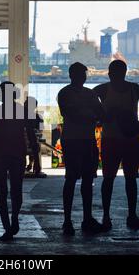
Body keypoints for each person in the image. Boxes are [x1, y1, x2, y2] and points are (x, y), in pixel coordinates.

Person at [93, 60, 139, 231]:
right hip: (128, 139)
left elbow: (87, 100)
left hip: (114, 139)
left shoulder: (103, 89)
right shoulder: (134, 88)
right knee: (129, 179)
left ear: (109, 73)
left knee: (111, 179)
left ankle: (107, 217)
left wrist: (100, 117)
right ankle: (130, 216)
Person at [0, 81, 39, 241]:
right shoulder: (22, 111)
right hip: (17, 154)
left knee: (1, 191)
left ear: (2, 93)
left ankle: (7, 227)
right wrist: (34, 157)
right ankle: (14, 217)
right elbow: (31, 135)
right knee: (16, 189)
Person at [57, 62, 106, 235]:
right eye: (82, 74)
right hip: (81, 140)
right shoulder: (88, 94)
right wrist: (90, 114)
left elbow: (78, 113)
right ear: (74, 75)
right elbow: (97, 114)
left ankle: (71, 220)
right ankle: (83, 219)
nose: (83, 77)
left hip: (75, 139)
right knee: (81, 180)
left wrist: (85, 113)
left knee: (76, 179)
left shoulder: (65, 93)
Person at [24, 96, 44, 177]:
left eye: (25, 102)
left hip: (20, 144)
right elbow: (41, 131)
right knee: (34, 143)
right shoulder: (39, 117)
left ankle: (30, 164)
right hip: (32, 144)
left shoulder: (19, 117)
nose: (24, 103)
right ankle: (35, 165)